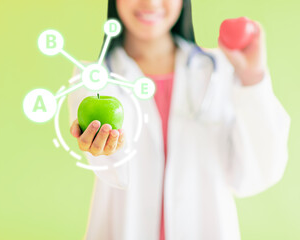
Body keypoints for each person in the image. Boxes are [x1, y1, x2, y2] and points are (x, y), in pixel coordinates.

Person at [67, 0, 291, 239]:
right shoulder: (93, 79)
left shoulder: (219, 70)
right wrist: (103, 148)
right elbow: (114, 165)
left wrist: (252, 78)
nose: (150, 2)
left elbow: (258, 170)